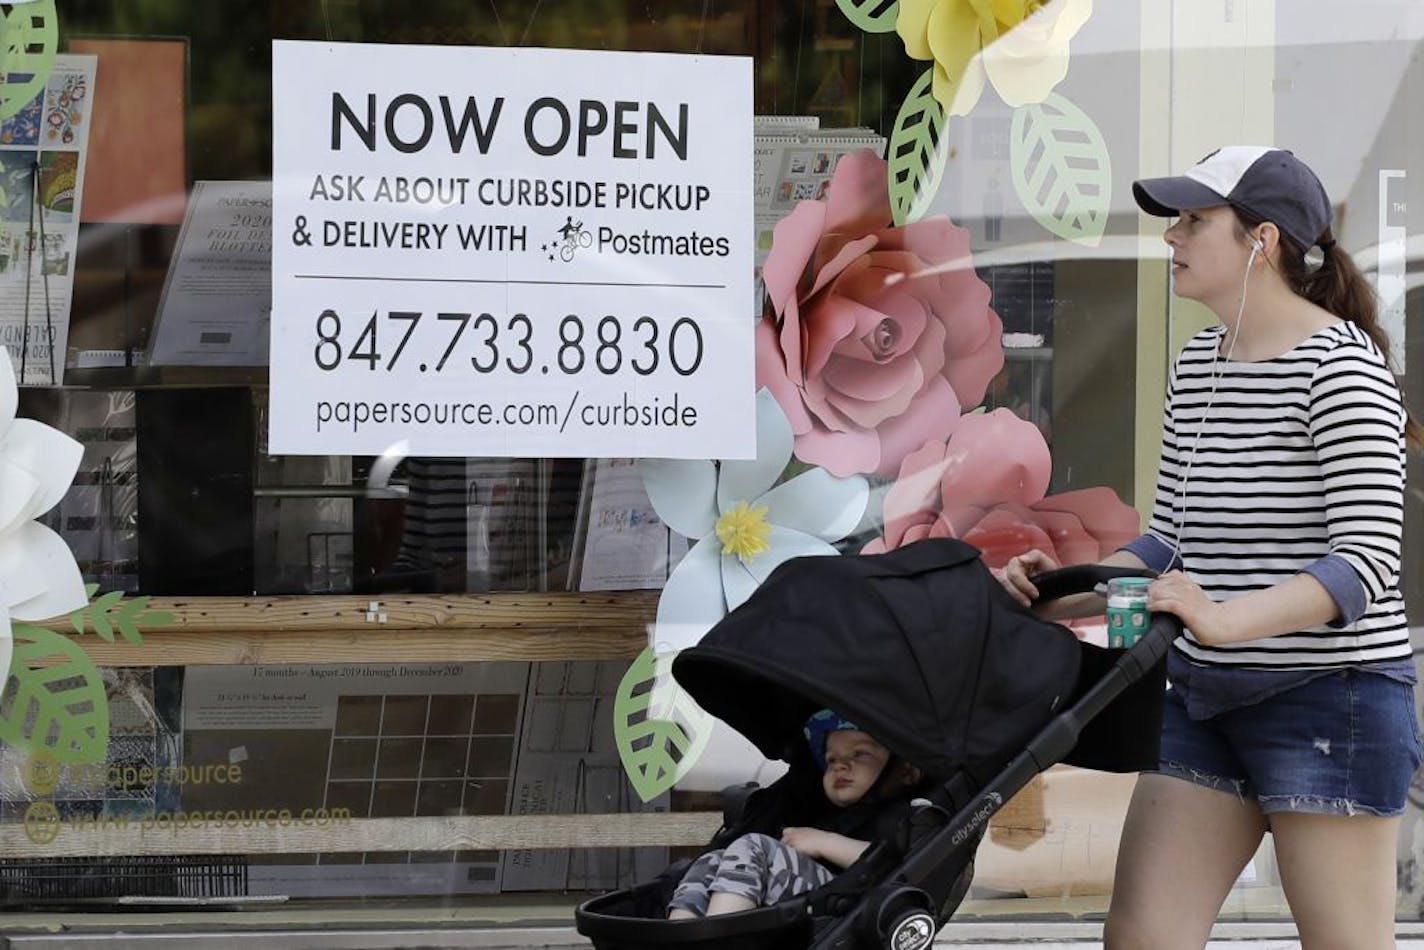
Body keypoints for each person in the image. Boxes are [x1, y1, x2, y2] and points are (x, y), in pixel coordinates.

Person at [997, 146, 1422, 949]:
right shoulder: (1200, 365)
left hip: (1333, 702)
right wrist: (1070, 589)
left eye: (1194, 221)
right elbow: (1171, 545)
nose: (1172, 238)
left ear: (1261, 241)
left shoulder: (1343, 370)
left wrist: (1222, 617)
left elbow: (1365, 564)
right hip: (1203, 697)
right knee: (1141, 939)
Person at [666, 709, 923, 919]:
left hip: (845, 905)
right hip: (806, 899)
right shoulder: (824, 813)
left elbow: (899, 865)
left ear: (906, 771)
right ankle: (684, 934)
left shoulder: (908, 815)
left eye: (860, 754)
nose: (842, 765)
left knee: (753, 848)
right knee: (712, 860)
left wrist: (824, 842)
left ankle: (719, 939)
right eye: (832, 759)